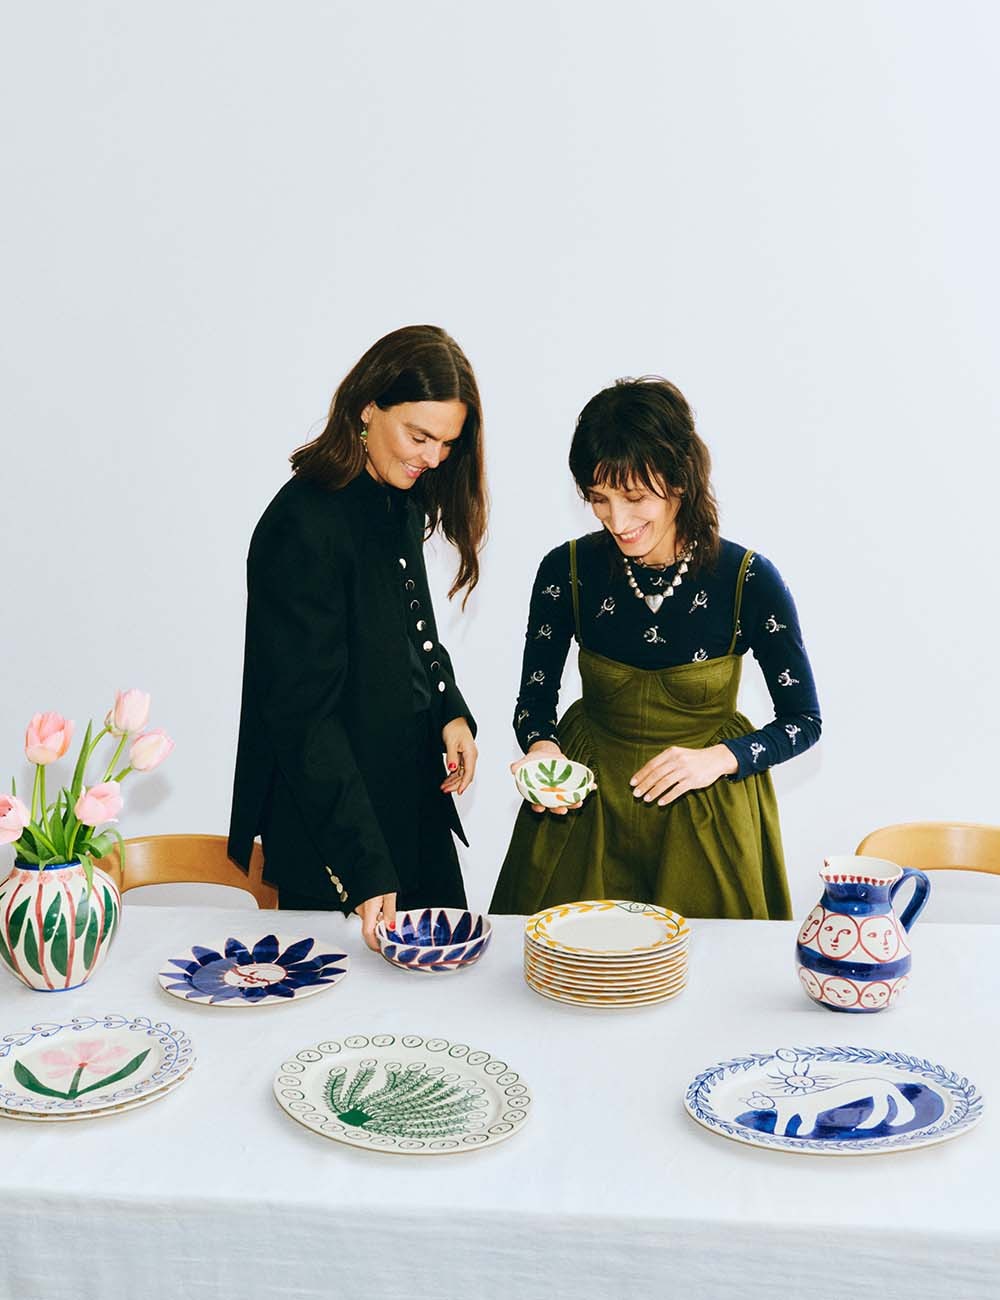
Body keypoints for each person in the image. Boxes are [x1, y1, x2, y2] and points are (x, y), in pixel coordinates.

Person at [490, 377, 820, 920]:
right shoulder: (566, 570)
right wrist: (542, 747)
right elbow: (534, 700)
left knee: (712, 968)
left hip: (707, 817)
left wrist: (720, 759)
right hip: (587, 814)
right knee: (567, 962)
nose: (617, 521)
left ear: (681, 481)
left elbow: (804, 721)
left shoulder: (747, 579)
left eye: (635, 497)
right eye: (599, 499)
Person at [229, 325, 486, 949]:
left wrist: (449, 711)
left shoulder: (394, 496)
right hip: (334, 823)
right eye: (419, 436)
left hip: (410, 798)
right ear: (368, 408)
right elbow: (301, 718)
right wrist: (364, 862)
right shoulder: (302, 523)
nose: (433, 459)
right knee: (339, 1002)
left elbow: (412, 629)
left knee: (447, 986)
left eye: (447, 443)